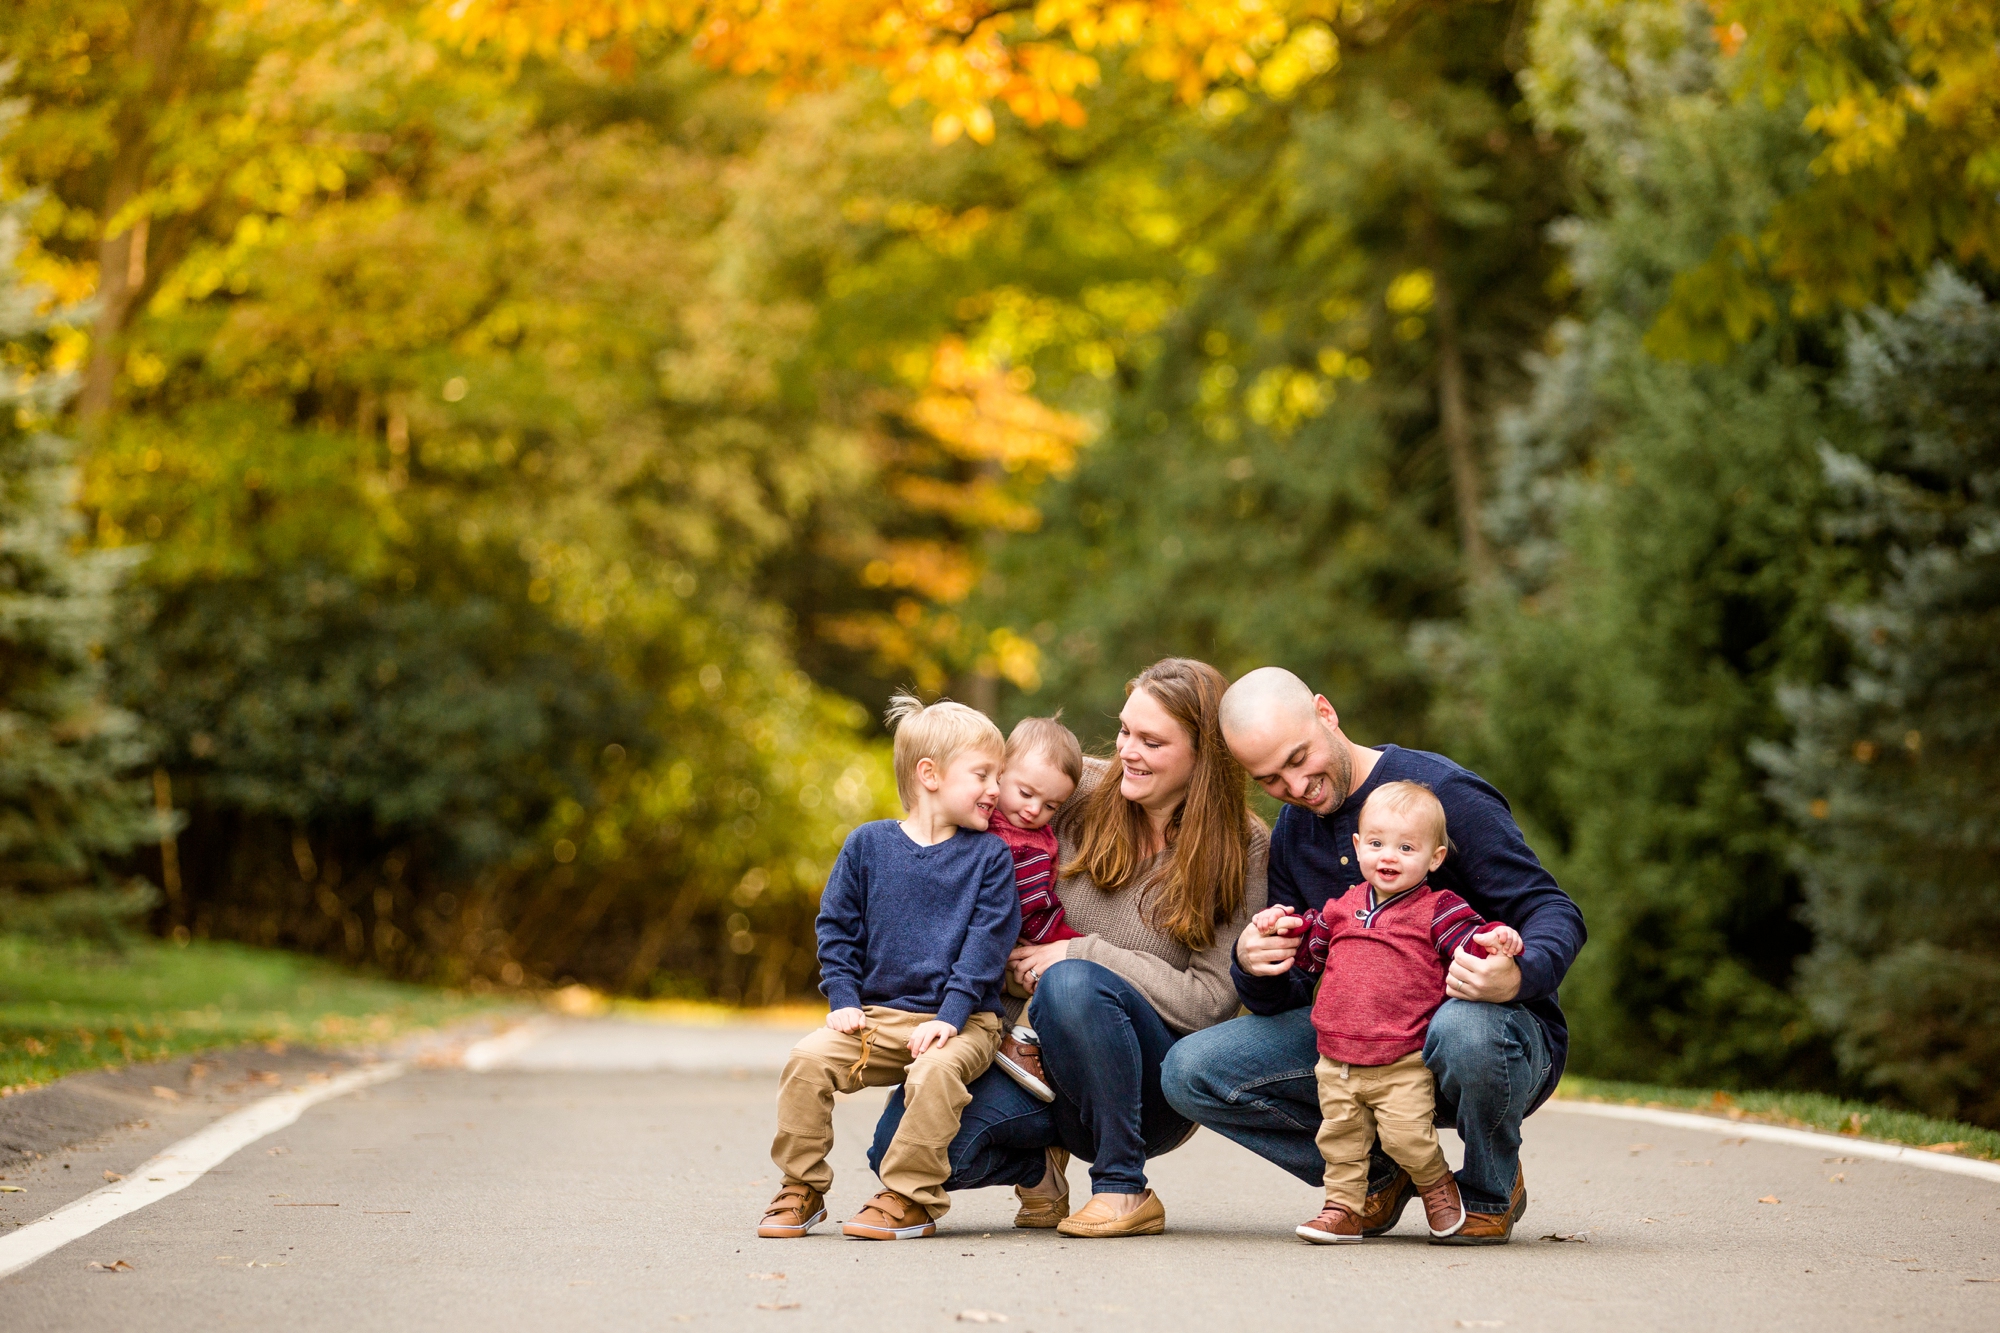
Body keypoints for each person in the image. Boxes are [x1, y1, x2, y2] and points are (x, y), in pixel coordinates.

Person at [1161, 666, 1586, 1244]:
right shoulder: (1294, 832)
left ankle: (1490, 1187)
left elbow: (1553, 910)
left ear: (1326, 713)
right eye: (1271, 779)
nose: (1296, 785)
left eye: (1298, 757)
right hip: (1363, 1042)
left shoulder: (1442, 793)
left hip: (1485, 1032)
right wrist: (1252, 963)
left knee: (1467, 1026)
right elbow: (1289, 987)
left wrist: (1515, 975)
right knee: (1190, 1071)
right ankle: (1379, 1179)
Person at [866, 658, 1267, 1238]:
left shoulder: (1244, 848)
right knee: (897, 1153)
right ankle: (1040, 1165)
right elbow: (972, 791)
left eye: (1151, 741)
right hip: (1035, 1063)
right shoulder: (1070, 789)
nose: (1127, 750)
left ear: (1203, 756)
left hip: (1144, 1086)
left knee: (1072, 980)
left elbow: (1210, 1001)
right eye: (1126, 730)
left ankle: (1122, 1188)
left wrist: (1085, 953)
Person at [758, 694, 1018, 1242]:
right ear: (930, 774)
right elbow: (836, 928)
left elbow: (985, 946)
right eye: (982, 774)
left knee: (934, 1073)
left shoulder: (990, 858)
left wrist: (950, 1016)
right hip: (877, 1017)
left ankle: (909, 1196)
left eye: (999, 775)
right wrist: (844, 1000)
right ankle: (801, 1188)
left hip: (966, 1021)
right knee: (807, 1060)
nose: (996, 789)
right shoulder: (867, 846)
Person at [1264, 780, 1523, 1243]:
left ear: (1435, 858)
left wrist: (1497, 939)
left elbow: (1473, 946)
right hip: (1336, 1058)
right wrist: (1281, 925)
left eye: (1406, 847)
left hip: (1400, 1058)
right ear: (1359, 847)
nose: (1389, 856)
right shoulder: (1341, 907)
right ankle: (1341, 1209)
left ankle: (1437, 1184)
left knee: (1409, 1138)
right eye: (1378, 844)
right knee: (1339, 1142)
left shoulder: (1438, 909)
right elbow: (1308, 954)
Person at [987, 713, 1085, 1102]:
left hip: (1038, 924)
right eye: (1025, 793)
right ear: (1000, 773)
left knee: (1072, 971)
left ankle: (1021, 1041)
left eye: (1050, 805)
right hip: (1001, 924)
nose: (1033, 810)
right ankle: (1013, 1042)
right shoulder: (986, 823)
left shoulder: (1039, 833)